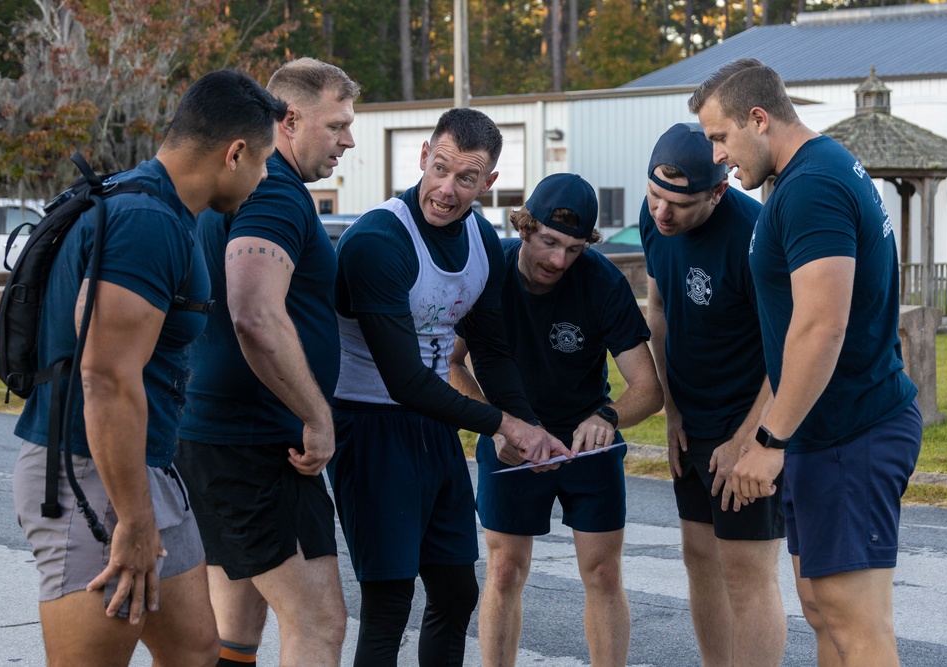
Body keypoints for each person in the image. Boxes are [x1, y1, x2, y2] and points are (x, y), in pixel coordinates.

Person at [11, 70, 285, 666]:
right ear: (234, 153)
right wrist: (133, 523)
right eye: (263, 162)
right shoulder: (147, 221)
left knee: (194, 650)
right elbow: (105, 376)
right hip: (90, 473)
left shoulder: (156, 206)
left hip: (147, 466)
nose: (264, 179)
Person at [691, 58, 921, 667]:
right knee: (823, 614)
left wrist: (770, 439)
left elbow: (823, 325)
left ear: (759, 119)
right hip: (823, 436)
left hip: (854, 431)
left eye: (720, 137)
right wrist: (772, 437)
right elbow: (796, 330)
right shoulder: (814, 171)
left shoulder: (813, 185)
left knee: (857, 626)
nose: (717, 155)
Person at [330, 107, 571, 667]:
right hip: (370, 423)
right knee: (389, 602)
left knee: (457, 591)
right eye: (440, 168)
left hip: (433, 424)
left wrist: (527, 426)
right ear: (422, 157)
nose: (446, 188)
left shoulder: (483, 239)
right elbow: (404, 380)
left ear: (488, 183)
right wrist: (501, 425)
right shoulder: (378, 240)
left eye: (466, 178)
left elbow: (491, 349)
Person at [174, 58, 359, 667]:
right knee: (320, 623)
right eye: (336, 126)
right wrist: (317, 416)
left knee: (237, 627)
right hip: (258, 445)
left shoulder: (241, 182)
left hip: (216, 433)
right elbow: (252, 309)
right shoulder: (275, 189)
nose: (347, 141)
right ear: (290, 119)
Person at [449, 173, 663, 667]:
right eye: (548, 242)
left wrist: (607, 416)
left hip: (585, 441)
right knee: (504, 571)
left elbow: (648, 389)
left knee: (604, 572)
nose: (558, 260)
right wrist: (496, 424)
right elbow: (450, 363)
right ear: (525, 227)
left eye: (573, 249)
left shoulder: (602, 281)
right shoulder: (487, 269)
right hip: (509, 436)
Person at [640, 122, 786, 666]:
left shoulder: (757, 237)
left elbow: (788, 352)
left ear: (720, 190)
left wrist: (749, 439)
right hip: (691, 422)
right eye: (655, 196)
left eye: (678, 203)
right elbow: (658, 310)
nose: (661, 214)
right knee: (699, 557)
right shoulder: (654, 220)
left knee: (746, 573)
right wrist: (672, 410)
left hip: (748, 423)